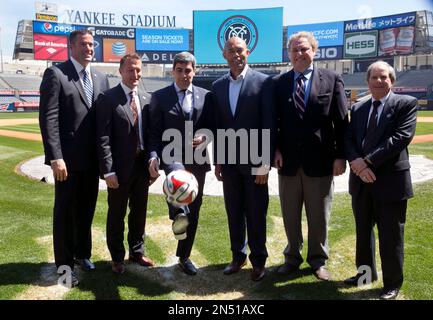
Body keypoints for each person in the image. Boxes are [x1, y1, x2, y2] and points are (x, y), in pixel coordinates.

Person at [272, 31, 348, 281]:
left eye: (304, 49)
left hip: (321, 162)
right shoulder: (279, 83)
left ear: (314, 51)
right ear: (289, 54)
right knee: (290, 215)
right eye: (295, 50)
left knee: (319, 216)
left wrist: (340, 156)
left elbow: (341, 122)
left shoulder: (332, 79)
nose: (299, 54)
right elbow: (274, 122)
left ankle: (317, 260)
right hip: (289, 163)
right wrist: (275, 150)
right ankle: (292, 256)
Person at [39, 29, 109, 286]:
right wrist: (55, 157)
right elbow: (49, 119)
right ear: (71, 46)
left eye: (92, 44)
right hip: (67, 162)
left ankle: (83, 254)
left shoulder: (101, 79)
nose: (89, 48)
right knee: (66, 212)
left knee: (86, 211)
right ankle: (64, 264)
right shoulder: (56, 74)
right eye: (84, 44)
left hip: (92, 162)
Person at [344, 61, 417, 300]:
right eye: (374, 77)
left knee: (391, 236)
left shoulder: (405, 104)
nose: (378, 81)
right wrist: (356, 162)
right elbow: (349, 139)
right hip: (360, 181)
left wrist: (366, 162)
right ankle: (365, 275)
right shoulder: (358, 108)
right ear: (368, 81)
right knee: (363, 233)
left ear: (392, 80)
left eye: (383, 77)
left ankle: (392, 284)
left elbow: (400, 138)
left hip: (391, 183)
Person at [212, 37, 275, 282]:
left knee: (256, 212)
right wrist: (218, 160)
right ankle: (238, 256)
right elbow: (218, 127)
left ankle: (258, 260)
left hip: (255, 161)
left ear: (248, 52)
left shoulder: (264, 82)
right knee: (234, 211)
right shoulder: (217, 86)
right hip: (229, 163)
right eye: (231, 51)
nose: (236, 54)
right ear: (224, 55)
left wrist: (265, 163)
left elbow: (269, 124)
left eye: (240, 50)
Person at [148, 52, 213, 276]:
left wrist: (206, 137)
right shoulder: (159, 97)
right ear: (172, 71)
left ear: (194, 71)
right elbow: (155, 133)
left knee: (194, 209)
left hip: (198, 159)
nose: (184, 75)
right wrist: (153, 156)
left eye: (188, 70)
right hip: (171, 154)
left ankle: (184, 256)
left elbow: (213, 128)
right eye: (180, 70)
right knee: (178, 181)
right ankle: (178, 213)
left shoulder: (207, 96)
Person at [95, 53, 155, 275]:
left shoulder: (147, 98)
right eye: (130, 70)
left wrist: (153, 162)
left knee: (139, 212)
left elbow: (150, 135)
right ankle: (117, 257)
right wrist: (108, 170)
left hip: (142, 168)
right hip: (118, 170)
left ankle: (137, 251)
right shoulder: (108, 98)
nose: (135, 74)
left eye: (138, 70)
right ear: (121, 71)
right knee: (116, 213)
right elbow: (102, 138)